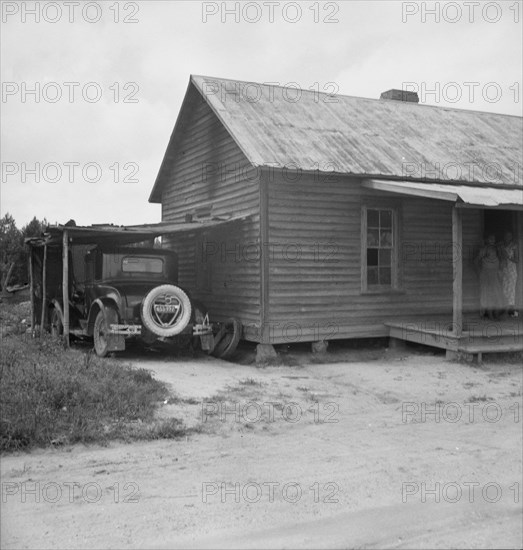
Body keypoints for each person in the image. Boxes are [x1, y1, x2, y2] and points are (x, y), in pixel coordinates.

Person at [475, 234, 504, 320]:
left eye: (493, 239)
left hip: (495, 274)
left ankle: (496, 315)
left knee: (496, 294)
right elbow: (476, 261)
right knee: (486, 294)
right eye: (490, 239)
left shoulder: (497, 249)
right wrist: (479, 273)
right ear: (487, 240)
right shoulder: (484, 249)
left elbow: (503, 260)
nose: (492, 240)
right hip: (486, 274)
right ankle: (487, 315)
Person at [499, 231, 519, 317]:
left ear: (511, 237)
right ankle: (505, 309)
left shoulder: (514, 246)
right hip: (504, 270)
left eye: (509, 236)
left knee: (511, 291)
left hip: (512, 271)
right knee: (504, 290)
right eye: (506, 236)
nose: (507, 237)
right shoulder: (501, 246)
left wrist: (508, 257)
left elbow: (517, 260)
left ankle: (511, 311)